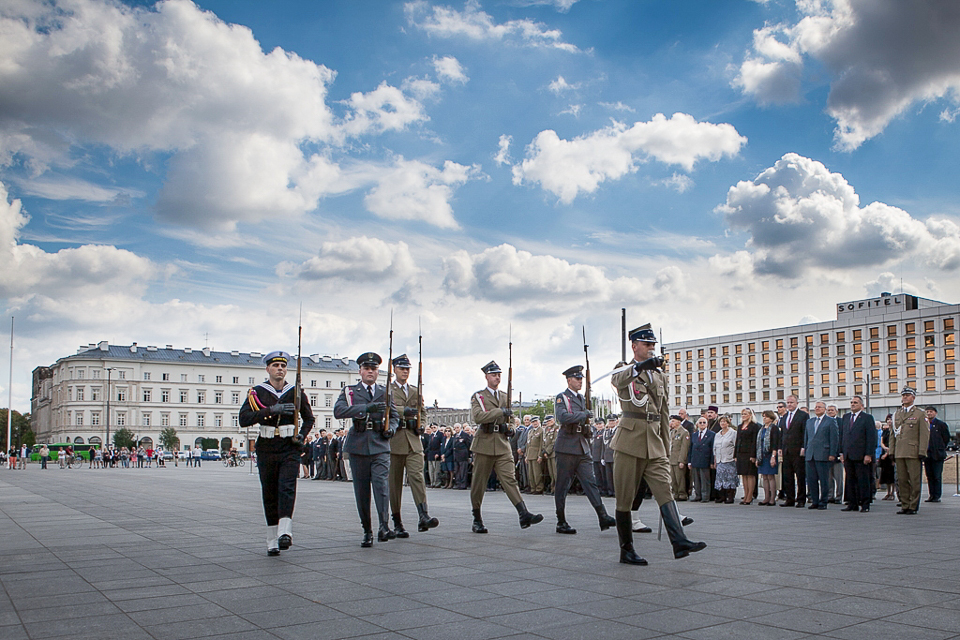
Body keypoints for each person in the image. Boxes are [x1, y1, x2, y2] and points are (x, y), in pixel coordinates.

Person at [610, 324, 704, 565]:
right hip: (629, 441)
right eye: (646, 344)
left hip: (654, 441)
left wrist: (664, 443)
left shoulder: (660, 376)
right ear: (634, 346)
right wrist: (640, 367)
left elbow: (663, 413)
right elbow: (617, 380)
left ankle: (679, 541)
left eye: (653, 345)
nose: (651, 348)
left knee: (664, 489)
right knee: (624, 498)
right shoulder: (625, 369)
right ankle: (626, 550)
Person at [238, 351, 315, 556]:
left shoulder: (295, 391)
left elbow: (309, 418)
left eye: (283, 366)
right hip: (267, 446)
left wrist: (302, 435)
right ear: (267, 369)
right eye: (275, 366)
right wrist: (271, 411)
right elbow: (244, 419)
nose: (280, 369)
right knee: (270, 492)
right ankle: (272, 539)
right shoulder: (257, 392)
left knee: (287, 487)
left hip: (289, 446)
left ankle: (285, 532)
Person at [469, 361, 542, 533]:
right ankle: (477, 518)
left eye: (499, 375)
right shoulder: (479, 396)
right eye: (494, 375)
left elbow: (511, 420)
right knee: (479, 483)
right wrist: (500, 412)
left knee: (510, 479)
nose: (497, 377)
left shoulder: (504, 396)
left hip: (502, 444)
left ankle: (523, 513)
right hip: (484, 444)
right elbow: (478, 417)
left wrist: (511, 428)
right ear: (486, 376)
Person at [333, 352, 399, 547]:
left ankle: (384, 526)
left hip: (380, 443)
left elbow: (394, 416)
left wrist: (391, 429)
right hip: (358, 444)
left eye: (374, 369)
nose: (370, 372)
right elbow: (338, 411)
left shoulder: (385, 392)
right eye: (367, 368)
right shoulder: (350, 391)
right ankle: (367, 530)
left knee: (381, 485)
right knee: (362, 491)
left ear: (378, 372)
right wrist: (366, 408)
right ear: (360, 371)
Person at [552, 365, 616, 534]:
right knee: (562, 486)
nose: (580, 381)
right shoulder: (562, 398)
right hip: (567, 447)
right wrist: (584, 415)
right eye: (577, 378)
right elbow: (563, 417)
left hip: (582, 446)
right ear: (569, 380)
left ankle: (603, 516)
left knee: (590, 483)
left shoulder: (582, 398)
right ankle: (561, 521)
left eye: (581, 378)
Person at [387, 354, 439, 536]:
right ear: (394, 370)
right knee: (394, 484)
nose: (405, 372)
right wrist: (404, 411)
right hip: (395, 440)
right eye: (402, 369)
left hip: (413, 440)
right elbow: (385, 408)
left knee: (417, 477)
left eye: (407, 369)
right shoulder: (387, 390)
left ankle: (423, 515)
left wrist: (422, 425)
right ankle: (397, 521)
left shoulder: (415, 391)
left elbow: (422, 412)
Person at [891, 386, 929, 515]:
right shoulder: (897, 414)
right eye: (903, 395)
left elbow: (924, 434)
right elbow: (892, 434)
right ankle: (905, 504)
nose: (905, 397)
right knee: (902, 480)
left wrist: (922, 451)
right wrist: (892, 451)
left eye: (907, 395)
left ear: (913, 397)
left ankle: (913, 505)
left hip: (913, 451)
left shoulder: (920, 413)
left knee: (914, 480)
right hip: (899, 451)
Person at [837, 395, 876, 513]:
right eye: (852, 402)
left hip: (861, 455)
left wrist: (868, 454)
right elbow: (842, 435)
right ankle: (852, 503)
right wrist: (841, 452)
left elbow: (871, 437)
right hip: (848, 454)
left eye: (855, 403)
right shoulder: (846, 417)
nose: (853, 404)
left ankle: (865, 503)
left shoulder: (867, 418)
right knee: (850, 480)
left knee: (863, 480)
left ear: (862, 406)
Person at [803, 401, 839, 510]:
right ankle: (814, 501)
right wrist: (806, 450)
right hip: (810, 455)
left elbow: (834, 438)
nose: (817, 408)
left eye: (819, 407)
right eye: (816, 407)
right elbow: (806, 438)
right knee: (811, 480)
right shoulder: (810, 421)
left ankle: (823, 501)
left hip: (823, 454)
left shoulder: (830, 421)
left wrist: (832, 453)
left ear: (824, 409)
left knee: (824, 480)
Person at [778, 395, 808, 507]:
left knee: (800, 476)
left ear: (797, 403)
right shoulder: (785, 417)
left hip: (798, 450)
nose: (789, 404)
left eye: (792, 402)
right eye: (788, 402)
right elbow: (782, 434)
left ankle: (801, 499)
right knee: (788, 476)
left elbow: (805, 432)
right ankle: (789, 499)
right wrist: (780, 448)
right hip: (786, 450)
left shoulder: (803, 416)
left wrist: (803, 447)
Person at [923, 406, 951, 503]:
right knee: (929, 476)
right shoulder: (924, 424)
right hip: (927, 454)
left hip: (937, 454)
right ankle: (931, 495)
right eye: (927, 412)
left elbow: (946, 438)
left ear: (935, 413)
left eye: (931, 411)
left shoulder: (941, 425)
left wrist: (941, 447)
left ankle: (937, 495)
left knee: (937, 476)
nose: (929, 413)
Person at [734, 408, 760, 505]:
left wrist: (753, 455)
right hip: (741, 453)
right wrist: (735, 454)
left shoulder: (754, 426)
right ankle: (745, 495)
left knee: (750, 474)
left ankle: (750, 496)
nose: (743, 416)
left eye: (745, 414)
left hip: (749, 453)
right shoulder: (740, 426)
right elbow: (737, 440)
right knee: (743, 475)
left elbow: (754, 441)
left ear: (750, 415)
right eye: (742, 414)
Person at [756, 410, 780, 505]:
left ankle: (772, 498)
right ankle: (766, 497)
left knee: (770, 476)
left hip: (770, 454)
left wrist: (773, 456)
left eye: (766, 416)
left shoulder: (774, 428)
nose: (764, 418)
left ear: (771, 418)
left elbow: (775, 443)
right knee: (764, 476)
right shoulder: (762, 428)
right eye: (763, 416)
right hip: (762, 454)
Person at [688, 417, 715, 502]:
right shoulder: (694, 435)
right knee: (696, 480)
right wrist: (689, 461)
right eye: (700, 422)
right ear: (697, 424)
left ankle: (705, 496)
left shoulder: (711, 434)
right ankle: (698, 495)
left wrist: (712, 462)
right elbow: (690, 449)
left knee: (705, 480)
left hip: (705, 460)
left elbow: (713, 449)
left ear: (707, 424)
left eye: (704, 422)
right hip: (695, 460)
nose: (702, 424)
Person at [712, 415, 738, 504]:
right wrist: (715, 460)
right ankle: (722, 496)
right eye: (721, 422)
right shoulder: (717, 434)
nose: (722, 423)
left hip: (729, 459)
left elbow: (735, 446)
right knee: (720, 478)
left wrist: (735, 457)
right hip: (719, 459)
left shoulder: (733, 433)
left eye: (724, 421)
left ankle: (730, 496)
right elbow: (715, 448)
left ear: (728, 423)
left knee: (730, 478)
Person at [667, 415, 691, 501]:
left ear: (679, 422)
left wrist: (682, 460)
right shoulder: (672, 432)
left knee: (680, 478)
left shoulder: (684, 432)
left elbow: (684, 448)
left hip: (678, 459)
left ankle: (682, 494)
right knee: (673, 479)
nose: (671, 423)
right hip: (672, 459)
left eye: (673, 421)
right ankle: (676, 493)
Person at [523, 415, 544, 494]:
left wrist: (540, 455)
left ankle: (539, 488)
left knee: (537, 473)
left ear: (539, 422)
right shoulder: (530, 431)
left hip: (536, 454)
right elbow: (528, 445)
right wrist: (526, 455)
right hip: (530, 454)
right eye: (533, 422)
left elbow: (541, 444)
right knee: (530, 474)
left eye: (536, 421)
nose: (534, 423)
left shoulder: (541, 430)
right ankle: (533, 488)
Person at [879, 415, 895, 499]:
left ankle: (892, 493)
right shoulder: (885, 431)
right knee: (885, 474)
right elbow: (881, 442)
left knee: (892, 475)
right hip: (884, 453)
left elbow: (893, 443)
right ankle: (888, 492)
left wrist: (887, 453)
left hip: (892, 455)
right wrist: (884, 448)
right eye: (888, 419)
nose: (889, 421)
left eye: (890, 419)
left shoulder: (895, 430)